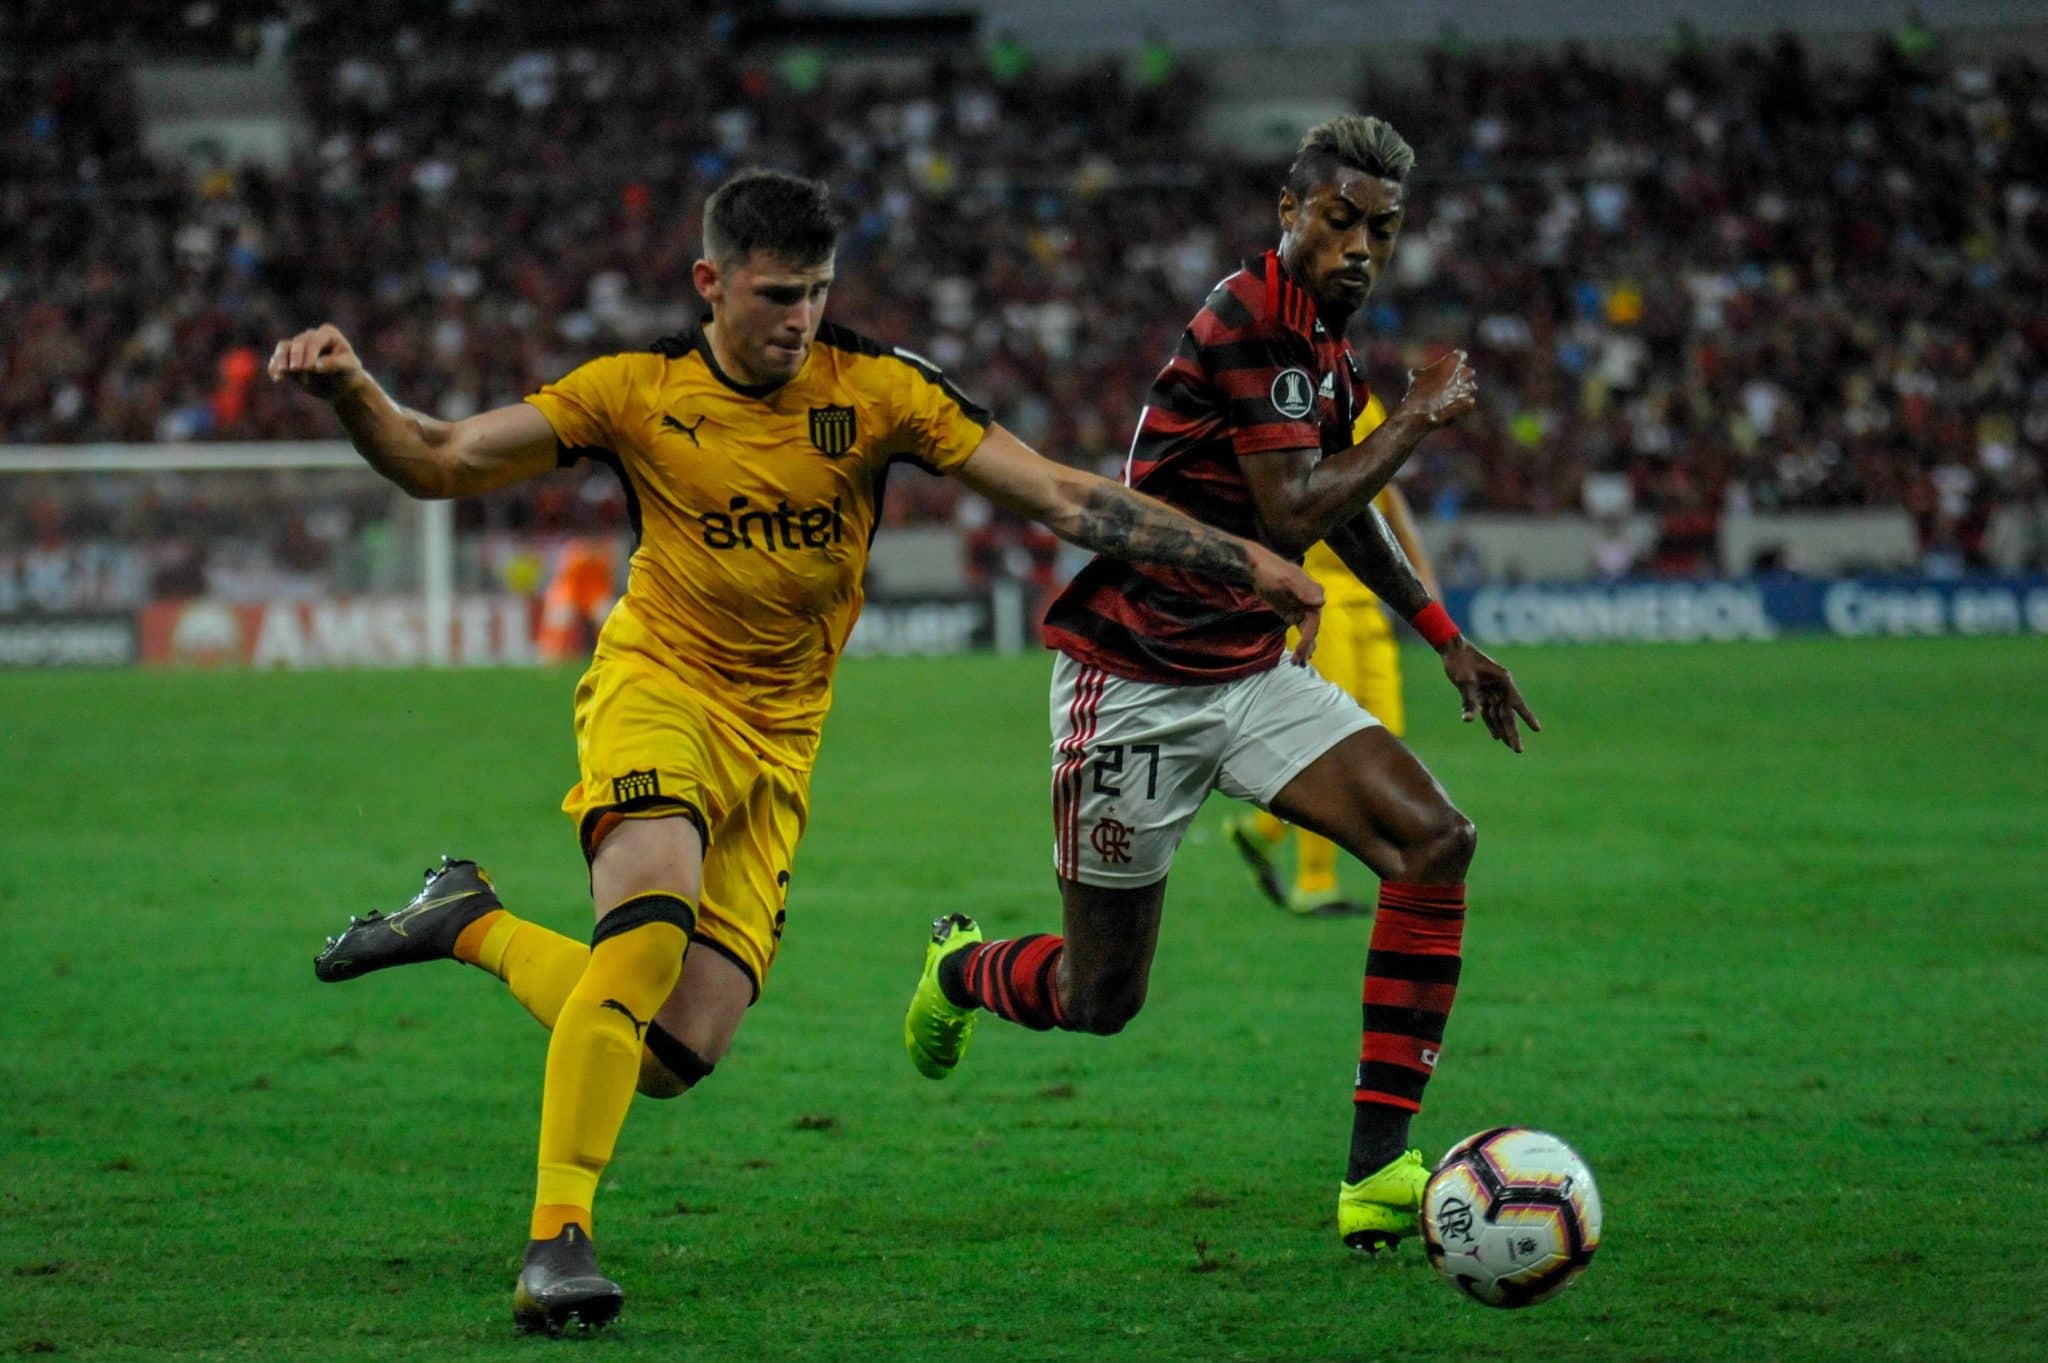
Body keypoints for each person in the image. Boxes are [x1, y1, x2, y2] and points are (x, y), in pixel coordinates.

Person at [274, 168, 1323, 1335]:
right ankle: (556, 1240)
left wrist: (1237, 558)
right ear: (709, 283)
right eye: (777, 294)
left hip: (779, 743)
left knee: (672, 1049)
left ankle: (462, 917)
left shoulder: (877, 391)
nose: (799, 317)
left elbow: (1062, 494)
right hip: (656, 687)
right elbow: (441, 459)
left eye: (817, 293)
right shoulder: (633, 392)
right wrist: (350, 392)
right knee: (647, 921)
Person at [902, 116, 1538, 1255]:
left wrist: (1443, 635)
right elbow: (1294, 509)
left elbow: (1330, 513)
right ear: (1287, 211)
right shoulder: (1252, 320)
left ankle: (1376, 1169)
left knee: (1433, 839)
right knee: (1102, 997)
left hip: (1246, 673)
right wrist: (1420, 420)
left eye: (1379, 230)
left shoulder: (1324, 348)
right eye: (1337, 219)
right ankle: (960, 968)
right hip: (1134, 684)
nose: (1357, 246)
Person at [1221, 391, 1441, 916]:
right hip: (1313, 591)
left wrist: (1423, 580)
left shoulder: (1362, 402)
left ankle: (1261, 829)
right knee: (1328, 746)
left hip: (1366, 594)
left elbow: (1388, 497)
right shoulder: (1277, 396)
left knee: (1382, 739)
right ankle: (1314, 882)